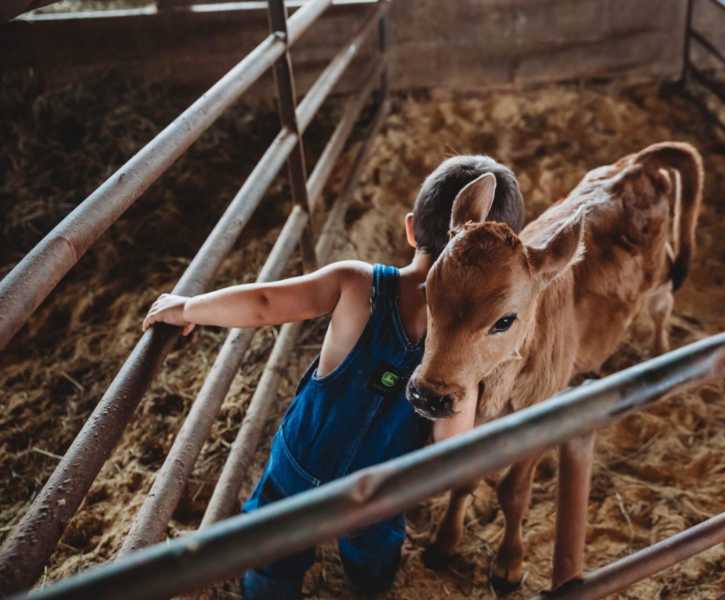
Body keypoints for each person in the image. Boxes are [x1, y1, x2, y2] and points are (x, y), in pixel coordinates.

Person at [141, 155, 526, 598]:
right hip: (379, 492)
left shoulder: (356, 284)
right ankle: (369, 584)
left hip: (300, 464)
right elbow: (449, 443)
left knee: (271, 551)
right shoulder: (464, 354)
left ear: (409, 228)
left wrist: (189, 307)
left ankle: (269, 590)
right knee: (375, 556)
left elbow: (264, 303)